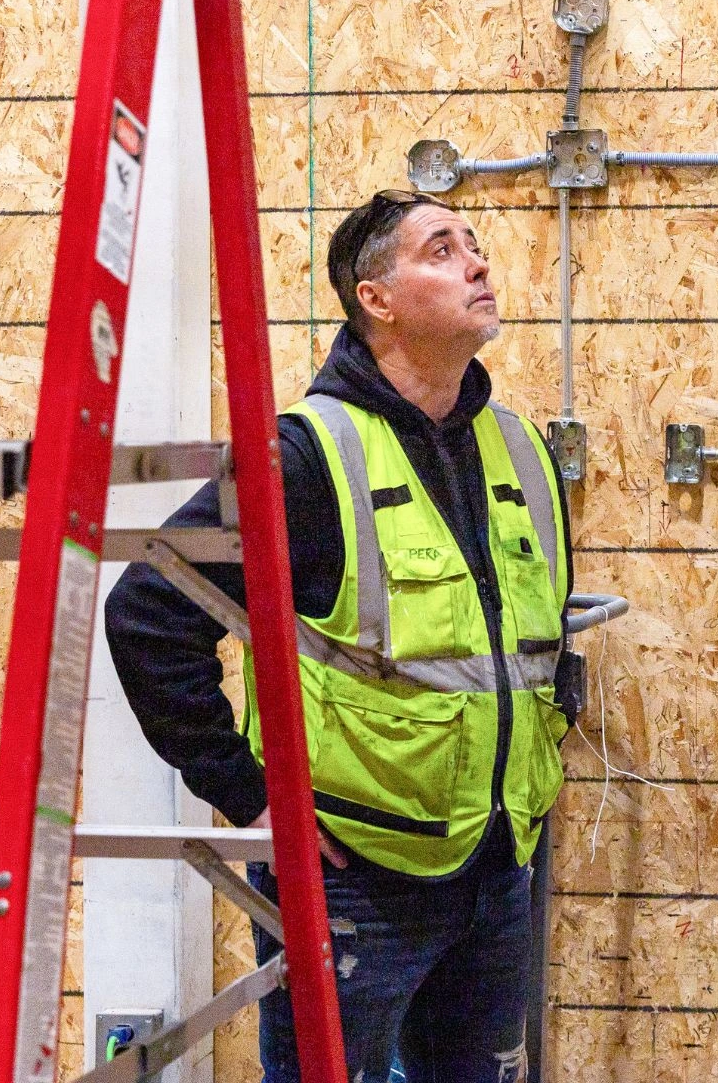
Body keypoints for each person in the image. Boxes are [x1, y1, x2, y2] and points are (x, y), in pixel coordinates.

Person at [103, 188, 577, 1083]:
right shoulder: (307, 457)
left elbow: (530, 653)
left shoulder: (521, 451)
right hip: (353, 876)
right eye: (442, 249)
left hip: (497, 863)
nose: (477, 263)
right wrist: (246, 795)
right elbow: (147, 612)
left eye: (474, 245)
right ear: (376, 299)